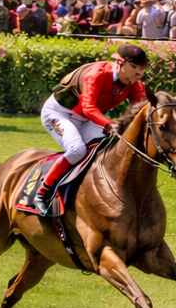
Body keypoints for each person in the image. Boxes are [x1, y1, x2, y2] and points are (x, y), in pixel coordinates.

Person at [34, 43, 150, 213]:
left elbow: (142, 109)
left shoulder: (134, 83)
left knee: (111, 148)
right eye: (133, 67)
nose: (138, 74)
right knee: (77, 150)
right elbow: (88, 107)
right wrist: (109, 124)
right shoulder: (96, 74)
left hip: (87, 119)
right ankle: (43, 192)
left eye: (141, 69)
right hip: (60, 114)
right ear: (120, 62)